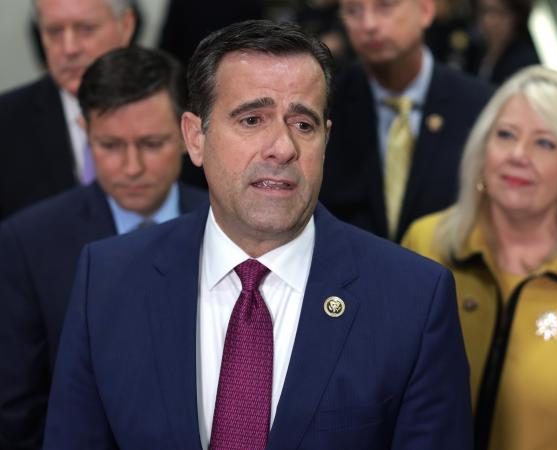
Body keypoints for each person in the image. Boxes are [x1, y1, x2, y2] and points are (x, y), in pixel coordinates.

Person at [42, 20, 472, 449]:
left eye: (303, 125)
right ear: (195, 138)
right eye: (252, 119)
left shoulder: (414, 299)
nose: (282, 148)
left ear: (326, 140)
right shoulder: (108, 280)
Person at [403, 66, 557, 450]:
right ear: (481, 148)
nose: (518, 155)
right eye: (506, 135)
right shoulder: (426, 241)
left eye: (545, 143)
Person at [0, 45, 207, 449]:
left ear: (189, 134)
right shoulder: (27, 244)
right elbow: (18, 410)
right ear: (85, 132)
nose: (132, 167)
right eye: (110, 145)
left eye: (152, 143)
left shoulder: (231, 227)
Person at [320, 0, 493, 242]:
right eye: (354, 10)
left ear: (425, 10)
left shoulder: (480, 107)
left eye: (385, 6)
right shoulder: (326, 105)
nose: (368, 24)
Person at [0, 0, 135, 219]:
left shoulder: (177, 113)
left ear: (126, 26)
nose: (69, 48)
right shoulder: (6, 123)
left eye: (86, 29)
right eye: (54, 31)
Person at [463, 0, 540, 86]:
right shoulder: (474, 51)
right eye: (485, 11)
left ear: (516, 17)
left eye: (500, 13)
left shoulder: (526, 60)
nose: (491, 21)